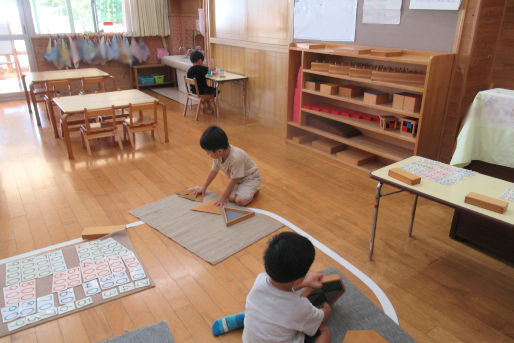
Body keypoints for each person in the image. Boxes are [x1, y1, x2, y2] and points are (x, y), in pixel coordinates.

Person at [242, 232, 331, 343]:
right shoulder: (299, 306)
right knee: (323, 330)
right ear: (297, 281)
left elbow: (281, 290)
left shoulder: (260, 280)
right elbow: (319, 318)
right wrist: (326, 309)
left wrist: (305, 283)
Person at [195, 126, 261, 207]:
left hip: (250, 179)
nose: (207, 154)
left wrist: (222, 198)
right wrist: (204, 187)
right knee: (231, 198)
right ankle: (244, 190)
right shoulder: (218, 155)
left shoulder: (236, 158)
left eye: (208, 152)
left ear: (219, 151)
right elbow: (213, 171)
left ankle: (255, 188)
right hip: (237, 180)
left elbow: (233, 180)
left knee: (240, 201)